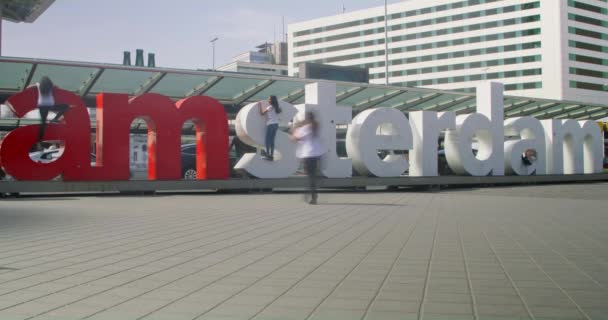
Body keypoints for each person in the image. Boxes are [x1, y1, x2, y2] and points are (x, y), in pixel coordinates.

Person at [290, 112, 325, 205]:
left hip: (308, 154)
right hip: (317, 154)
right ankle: (312, 194)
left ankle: (312, 195)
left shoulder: (306, 128)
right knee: (312, 176)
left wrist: (295, 127)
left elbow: (293, 139)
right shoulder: (315, 126)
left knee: (310, 176)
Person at [36, 76, 71, 150]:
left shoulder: (38, 85)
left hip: (42, 106)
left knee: (43, 124)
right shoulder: (50, 86)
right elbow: (57, 87)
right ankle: (55, 119)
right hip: (50, 105)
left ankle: (39, 143)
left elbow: (29, 86)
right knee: (66, 106)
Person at [258, 95, 281, 161]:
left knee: (267, 140)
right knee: (272, 140)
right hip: (276, 124)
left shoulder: (269, 107)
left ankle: (268, 155)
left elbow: (261, 113)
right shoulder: (277, 107)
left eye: (269, 99)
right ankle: (271, 155)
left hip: (270, 124)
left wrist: (259, 105)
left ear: (271, 100)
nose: (268, 100)